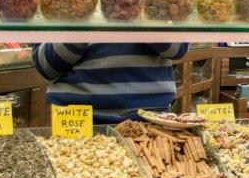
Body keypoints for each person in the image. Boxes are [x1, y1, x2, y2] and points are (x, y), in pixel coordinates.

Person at [32, 42, 188, 124]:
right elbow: (46, 66)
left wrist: (139, 10)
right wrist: (84, 19)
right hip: (77, 120)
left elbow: (177, 49)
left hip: (150, 119)